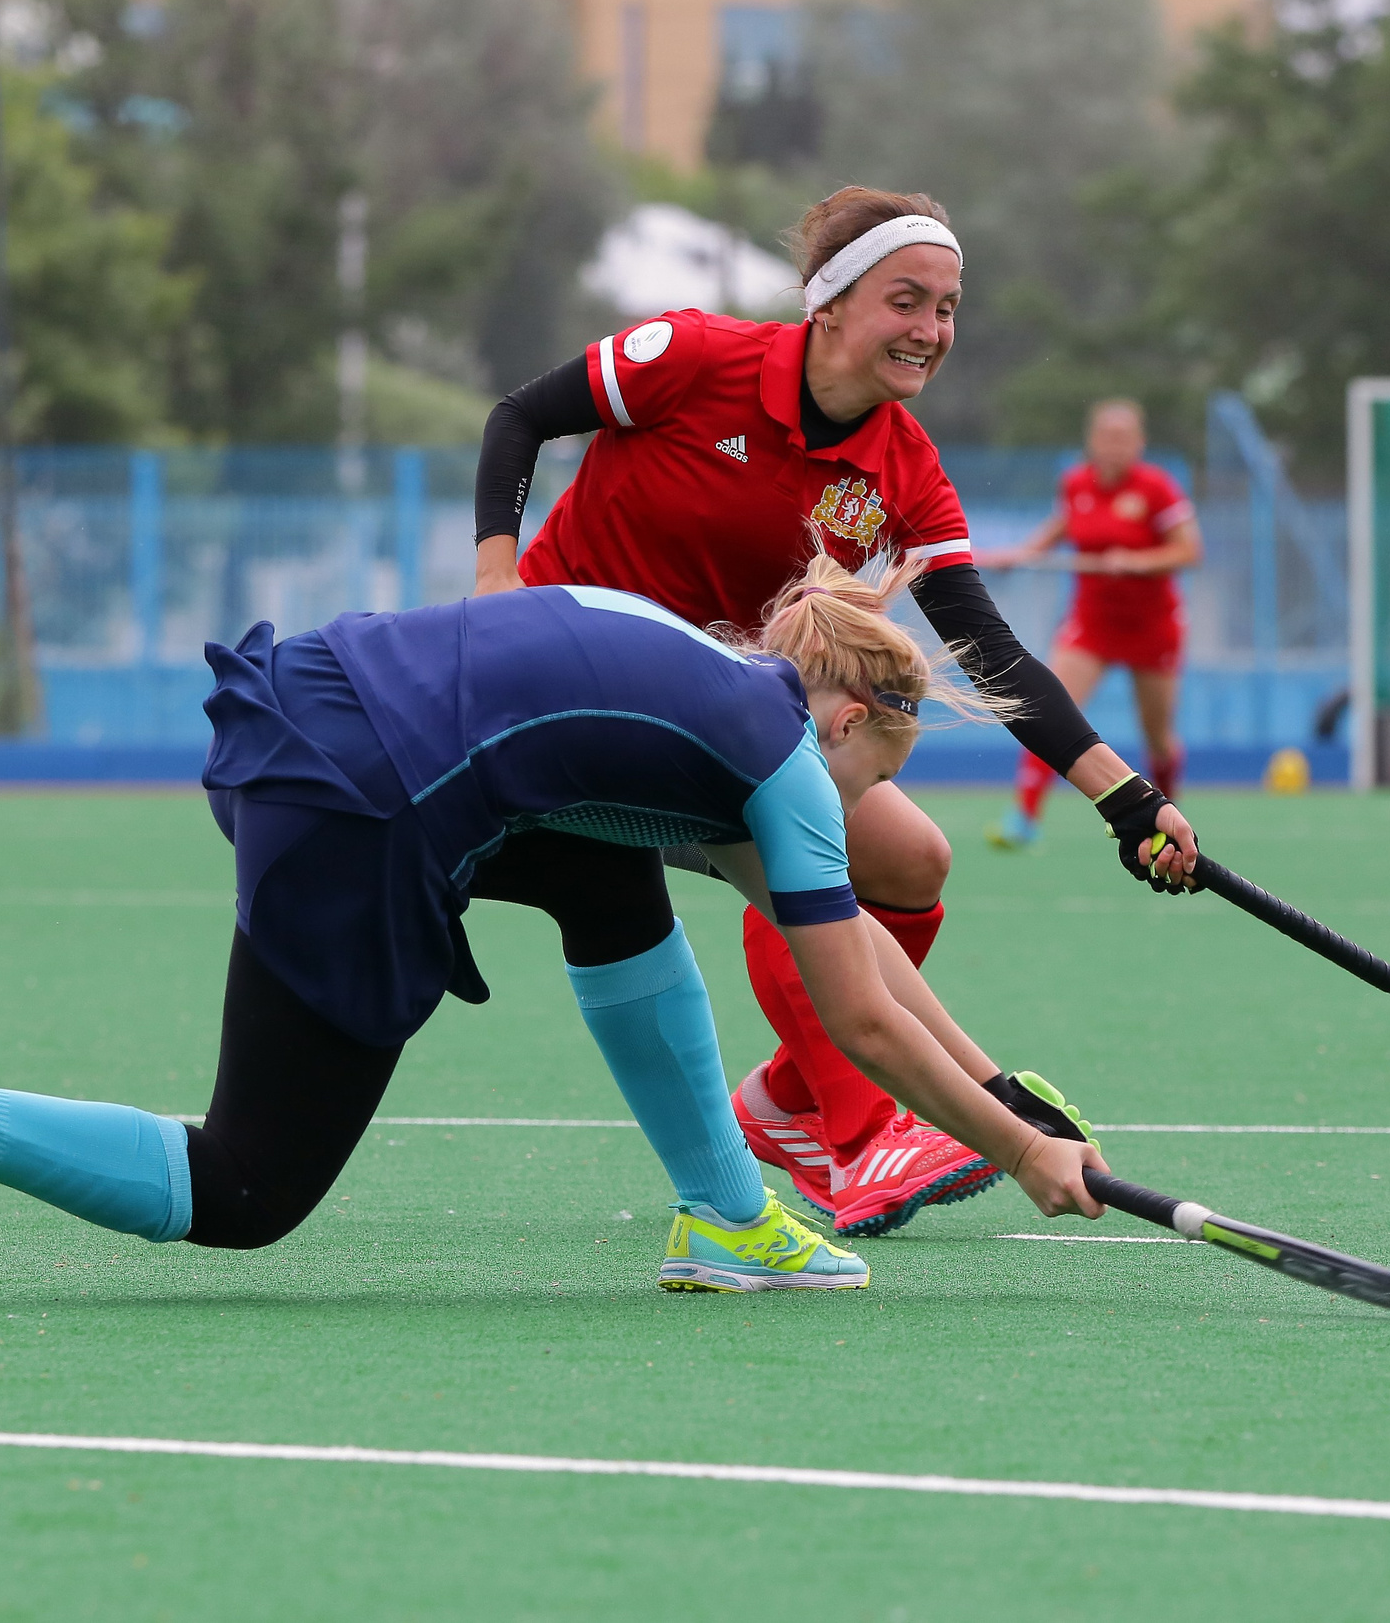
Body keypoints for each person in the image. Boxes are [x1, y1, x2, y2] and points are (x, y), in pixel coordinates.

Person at [0, 561, 1111, 1306]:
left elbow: (840, 943)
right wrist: (1016, 1151)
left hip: (320, 706)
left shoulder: (699, 669)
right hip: (369, 798)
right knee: (247, 1187)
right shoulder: (781, 761)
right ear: (844, 722)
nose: (851, 809)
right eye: (871, 777)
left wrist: (1005, 1097)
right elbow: (859, 1016)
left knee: (606, 884)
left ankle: (725, 1216)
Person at [470, 186, 1198, 1238]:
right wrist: (497, 590)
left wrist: (1125, 800)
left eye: (946, 309)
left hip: (724, 717)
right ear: (829, 304)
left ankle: (788, 1104)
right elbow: (520, 418)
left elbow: (988, 651)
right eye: (907, 301)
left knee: (910, 863)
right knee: (793, 830)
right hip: (572, 687)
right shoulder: (692, 357)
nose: (930, 331)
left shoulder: (905, 469)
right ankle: (860, 1138)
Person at [978, 398, 1202, 849]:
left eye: (1123, 438)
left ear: (1140, 443)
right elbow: (1064, 524)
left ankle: (1169, 815)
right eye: (1105, 437)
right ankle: (1024, 817)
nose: (1113, 447)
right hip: (1092, 625)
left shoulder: (1157, 489)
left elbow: (1189, 551)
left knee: (1157, 738)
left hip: (1152, 628)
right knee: (1047, 710)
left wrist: (1137, 561)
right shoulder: (1077, 483)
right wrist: (1025, 554)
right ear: (1091, 442)